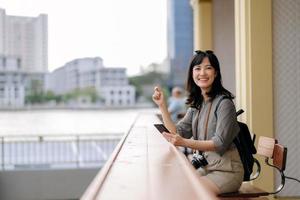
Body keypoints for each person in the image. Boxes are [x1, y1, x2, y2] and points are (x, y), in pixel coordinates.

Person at [152, 50, 243, 195]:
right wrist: (162, 105)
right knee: (174, 186)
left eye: (208, 68)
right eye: (197, 68)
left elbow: (219, 143)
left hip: (227, 172)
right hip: (206, 169)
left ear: (216, 73)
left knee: (190, 193)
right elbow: (177, 132)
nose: (202, 73)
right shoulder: (197, 104)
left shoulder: (225, 104)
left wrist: (185, 143)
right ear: (192, 73)